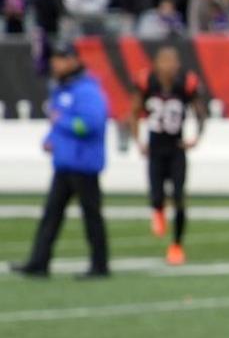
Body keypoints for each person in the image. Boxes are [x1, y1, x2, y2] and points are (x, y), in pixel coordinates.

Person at [12, 40, 110, 279]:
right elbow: (59, 123)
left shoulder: (87, 90)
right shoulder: (61, 89)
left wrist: (62, 123)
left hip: (84, 163)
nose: (55, 64)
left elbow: (91, 123)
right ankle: (39, 261)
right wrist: (50, 138)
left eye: (59, 59)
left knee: (91, 215)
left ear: (72, 60)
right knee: (51, 214)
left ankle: (99, 264)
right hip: (64, 162)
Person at [125, 44, 206, 266]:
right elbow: (133, 112)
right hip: (155, 148)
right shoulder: (146, 82)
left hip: (176, 148)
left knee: (179, 198)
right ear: (156, 64)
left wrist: (197, 136)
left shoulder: (185, 84)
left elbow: (200, 112)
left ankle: (176, 245)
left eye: (173, 61)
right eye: (165, 61)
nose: (169, 66)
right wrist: (138, 141)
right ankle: (158, 210)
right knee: (156, 195)